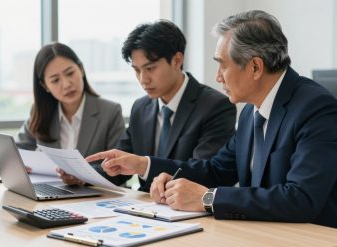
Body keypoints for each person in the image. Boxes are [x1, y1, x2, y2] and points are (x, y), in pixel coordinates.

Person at [86, 10, 337, 228]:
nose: (218, 77)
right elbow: (217, 170)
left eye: (223, 65)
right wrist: (145, 165)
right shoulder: (252, 111)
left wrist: (208, 199)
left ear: (255, 67)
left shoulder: (315, 108)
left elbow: (301, 199)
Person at [60, 20, 236, 191]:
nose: (143, 79)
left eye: (150, 68)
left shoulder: (215, 106)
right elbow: (119, 166)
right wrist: (82, 176)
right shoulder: (141, 107)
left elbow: (207, 174)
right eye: (137, 70)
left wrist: (144, 165)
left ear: (177, 60)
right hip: (146, 211)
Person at [15, 42, 125, 174]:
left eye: (70, 73)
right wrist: (19, 164)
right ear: (45, 86)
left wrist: (81, 177)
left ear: (81, 69)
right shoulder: (41, 112)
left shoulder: (110, 112)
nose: (66, 84)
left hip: (96, 193)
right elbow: (17, 151)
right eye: (55, 80)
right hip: (51, 191)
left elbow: (119, 168)